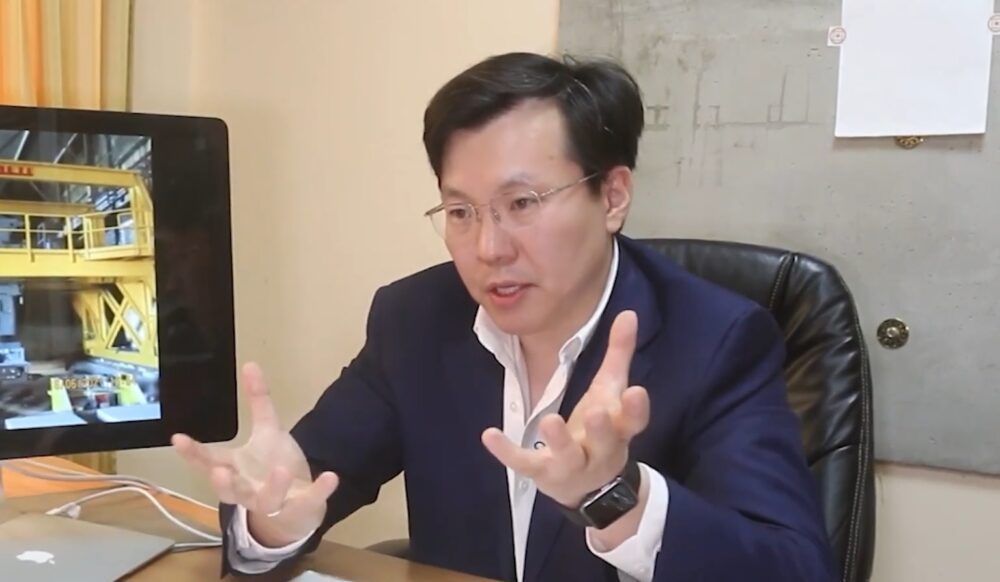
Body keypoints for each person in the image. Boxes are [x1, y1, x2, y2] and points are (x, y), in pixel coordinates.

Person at [172, 52, 835, 581]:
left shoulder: (717, 338)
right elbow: (296, 487)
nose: (488, 248)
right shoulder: (414, 319)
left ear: (612, 196)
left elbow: (797, 568)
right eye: (461, 212)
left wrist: (617, 497)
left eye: (522, 204)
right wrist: (271, 525)